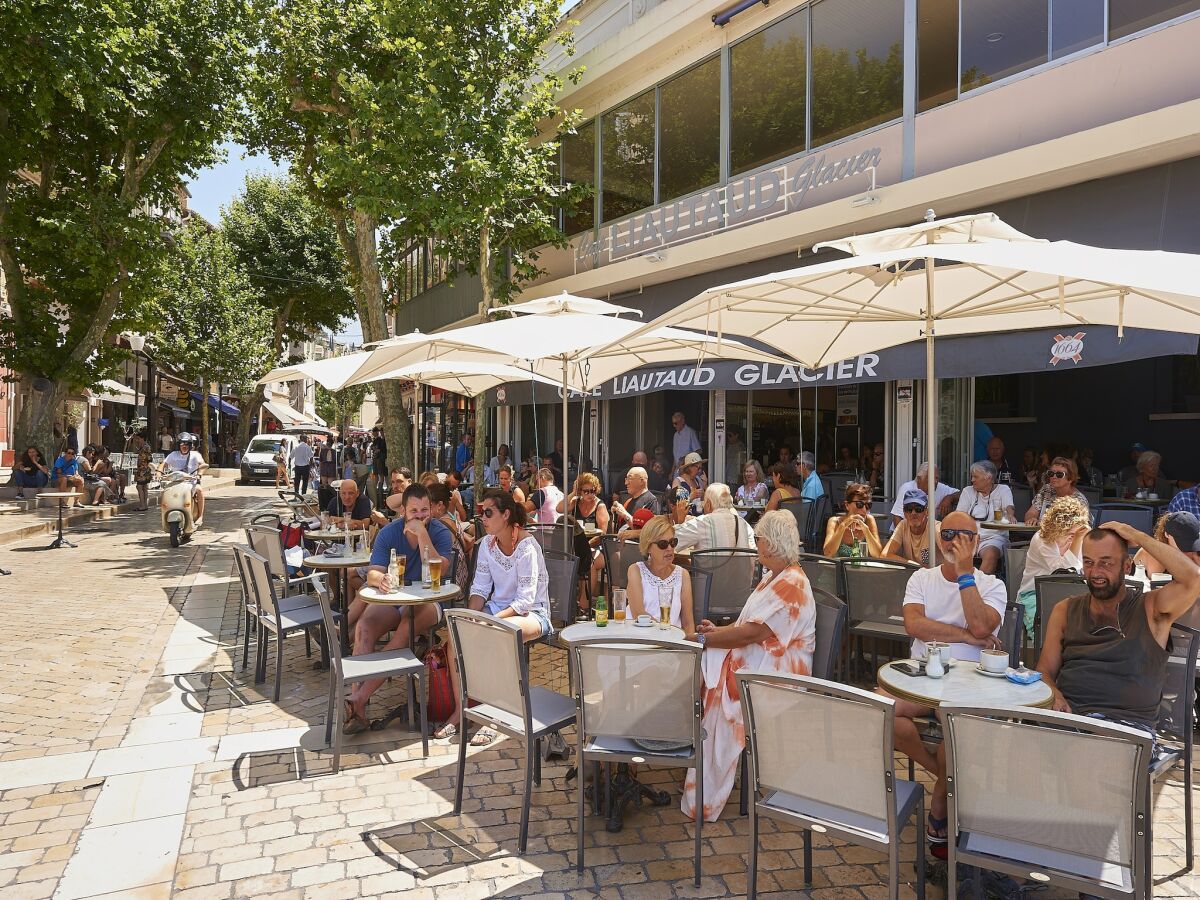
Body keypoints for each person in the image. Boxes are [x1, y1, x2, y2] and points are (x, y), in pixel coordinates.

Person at [681, 510, 816, 823]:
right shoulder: (775, 576)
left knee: (711, 687)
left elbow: (753, 632)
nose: (756, 544)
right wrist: (715, 632)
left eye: (759, 539)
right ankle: (691, 764)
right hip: (758, 664)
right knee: (702, 675)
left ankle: (703, 796)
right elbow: (748, 627)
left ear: (772, 544)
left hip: (773, 680)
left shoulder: (791, 584)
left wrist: (706, 639)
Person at [883, 512, 1007, 847]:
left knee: (954, 727)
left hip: (969, 682)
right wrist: (964, 637)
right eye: (949, 533)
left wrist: (966, 574)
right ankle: (950, 781)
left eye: (965, 536)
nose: (956, 541)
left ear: (977, 542)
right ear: (940, 539)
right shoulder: (922, 578)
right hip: (920, 676)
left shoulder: (993, 585)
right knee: (881, 711)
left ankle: (940, 798)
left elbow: (982, 626)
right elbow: (914, 625)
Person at [1036, 522, 1200, 738]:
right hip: (1069, 721)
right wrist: (1054, 694)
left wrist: (1136, 535)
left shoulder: (1151, 609)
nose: (1095, 572)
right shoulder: (1065, 610)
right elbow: (1043, 671)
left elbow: (1194, 578)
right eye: (1088, 562)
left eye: (1106, 563)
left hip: (1128, 732)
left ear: (1127, 566)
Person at [342, 483, 453, 732]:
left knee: (405, 630)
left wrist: (422, 534)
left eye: (425, 510)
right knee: (363, 628)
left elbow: (441, 567)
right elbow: (373, 571)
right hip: (396, 597)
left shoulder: (439, 531)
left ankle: (358, 699)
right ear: (403, 510)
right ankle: (358, 706)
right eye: (414, 511)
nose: (420, 515)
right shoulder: (390, 533)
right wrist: (379, 580)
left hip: (431, 599)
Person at [454, 489, 553, 745]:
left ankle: (498, 717)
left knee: (498, 636)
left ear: (506, 514)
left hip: (533, 613)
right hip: (498, 611)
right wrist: (473, 616)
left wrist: (489, 620)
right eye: (481, 512)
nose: (483, 518)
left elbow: (525, 601)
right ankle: (459, 711)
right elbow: (479, 588)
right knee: (457, 638)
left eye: (488, 512)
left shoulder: (527, 547)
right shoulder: (487, 544)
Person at [1016, 495, 1090, 635]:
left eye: (1076, 533)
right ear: (1057, 527)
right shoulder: (1042, 539)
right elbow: (1061, 572)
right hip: (1034, 594)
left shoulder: (1078, 538)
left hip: (1070, 592)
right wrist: (1077, 541)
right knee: (1046, 633)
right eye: (1069, 533)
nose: (1072, 537)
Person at [627, 515, 697, 637]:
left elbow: (688, 623)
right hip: (639, 640)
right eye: (663, 544)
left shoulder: (683, 575)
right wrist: (667, 635)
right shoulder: (636, 571)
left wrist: (689, 650)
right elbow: (638, 614)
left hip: (673, 645)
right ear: (648, 547)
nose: (669, 548)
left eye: (673, 542)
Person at [955, 460, 1015, 574]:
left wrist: (1011, 515)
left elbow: (1009, 506)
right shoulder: (967, 491)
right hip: (970, 537)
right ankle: (957, 585)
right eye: (972, 477)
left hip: (994, 537)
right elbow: (959, 516)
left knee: (990, 554)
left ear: (988, 478)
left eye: (975, 477)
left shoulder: (1003, 489)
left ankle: (978, 587)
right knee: (952, 551)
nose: (972, 480)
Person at [674, 483, 756, 552]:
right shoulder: (744, 524)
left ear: (709, 504)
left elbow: (672, 542)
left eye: (704, 503)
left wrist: (680, 520)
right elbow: (754, 553)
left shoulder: (702, 522)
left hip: (707, 571)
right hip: (740, 571)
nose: (703, 506)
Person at [823, 482, 883, 558]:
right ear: (847, 505)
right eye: (859, 504)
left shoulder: (869, 520)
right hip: (839, 569)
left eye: (868, 505)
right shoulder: (835, 522)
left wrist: (866, 530)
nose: (864, 510)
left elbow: (878, 554)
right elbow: (828, 553)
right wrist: (843, 526)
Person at [1133, 511, 1200, 578]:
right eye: (1183, 540)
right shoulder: (1154, 553)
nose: (1188, 546)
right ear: (1167, 534)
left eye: (1191, 540)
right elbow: (1158, 585)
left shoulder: (1194, 552)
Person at [882, 488, 939, 567]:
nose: (913, 513)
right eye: (908, 509)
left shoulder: (935, 528)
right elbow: (885, 555)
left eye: (918, 509)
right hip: (911, 576)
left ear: (927, 512)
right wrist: (912, 564)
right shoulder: (903, 525)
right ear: (904, 512)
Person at [1025, 456, 1089, 524]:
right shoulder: (1046, 489)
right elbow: (1031, 513)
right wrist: (1032, 518)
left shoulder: (1078, 500)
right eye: (1051, 473)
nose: (1054, 477)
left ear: (1071, 478)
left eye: (1059, 474)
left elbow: (1080, 528)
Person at [891, 464, 959, 526]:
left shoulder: (940, 488)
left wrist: (949, 498)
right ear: (919, 480)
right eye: (931, 478)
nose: (935, 482)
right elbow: (897, 517)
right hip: (904, 532)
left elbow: (961, 494)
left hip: (927, 533)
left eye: (937, 478)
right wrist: (903, 537)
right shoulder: (907, 488)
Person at [160, 435, 206, 524]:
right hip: (175, 483)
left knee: (199, 490)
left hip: (191, 482)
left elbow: (202, 465)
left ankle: (200, 516)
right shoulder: (173, 455)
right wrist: (159, 473)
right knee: (164, 493)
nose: (184, 446)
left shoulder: (195, 455)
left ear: (190, 446)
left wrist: (199, 474)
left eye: (186, 444)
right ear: (178, 445)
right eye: (182, 444)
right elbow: (163, 464)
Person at [132, 445, 154, 511]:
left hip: (142, 471)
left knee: (139, 487)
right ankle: (145, 504)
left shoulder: (142, 452)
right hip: (147, 470)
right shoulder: (149, 453)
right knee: (144, 488)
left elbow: (139, 463)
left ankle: (142, 505)